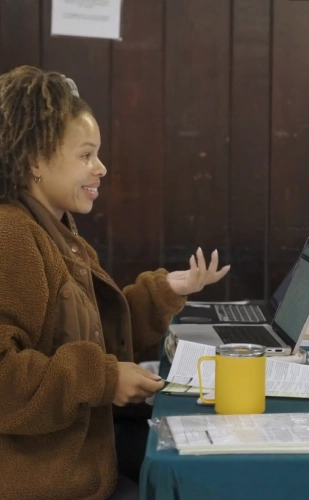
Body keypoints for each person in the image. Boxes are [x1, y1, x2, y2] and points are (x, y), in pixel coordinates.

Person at [0, 65, 230, 499]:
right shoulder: (11, 237)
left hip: (86, 462)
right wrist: (103, 380)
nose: (101, 168)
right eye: (86, 155)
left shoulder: (56, 230)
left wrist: (162, 293)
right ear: (34, 160)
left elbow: (85, 336)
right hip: (49, 482)